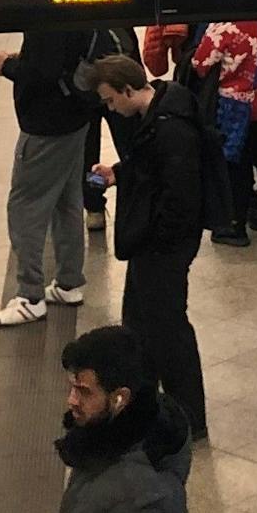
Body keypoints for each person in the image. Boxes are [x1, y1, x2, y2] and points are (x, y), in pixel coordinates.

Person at [82, 55, 210, 441]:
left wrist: (154, 237)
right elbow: (151, 165)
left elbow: (180, 195)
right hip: (151, 245)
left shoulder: (172, 129)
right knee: (138, 324)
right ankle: (144, 407)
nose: (109, 108)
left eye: (109, 100)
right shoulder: (160, 112)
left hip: (163, 247)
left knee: (168, 330)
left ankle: (188, 419)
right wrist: (119, 174)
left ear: (127, 90)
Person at [43, 326, 195, 513]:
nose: (72, 401)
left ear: (119, 398)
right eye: (72, 388)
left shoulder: (135, 502)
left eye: (84, 391)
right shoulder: (103, 446)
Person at [0, 33, 99, 327]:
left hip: (46, 127)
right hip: (74, 119)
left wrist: (7, 67)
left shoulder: (45, 13)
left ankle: (30, 297)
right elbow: (57, 59)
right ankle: (69, 283)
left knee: (24, 208)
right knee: (67, 201)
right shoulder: (69, 1)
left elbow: (42, 74)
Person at [190, 19, 257, 246]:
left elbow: (200, 63)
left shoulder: (223, 27)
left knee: (236, 165)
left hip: (235, 104)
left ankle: (235, 225)